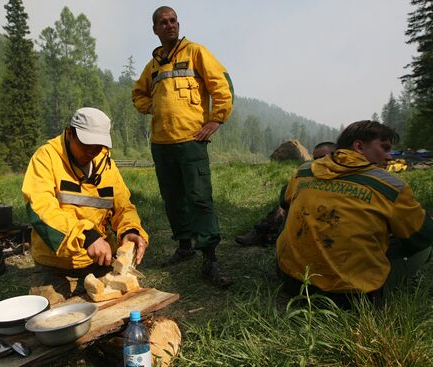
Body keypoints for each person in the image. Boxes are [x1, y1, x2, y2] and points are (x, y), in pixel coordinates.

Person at [276, 120, 433, 305]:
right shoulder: (391, 186)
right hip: (349, 296)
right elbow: (420, 238)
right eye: (384, 148)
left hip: (290, 281)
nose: (390, 157)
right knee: (425, 247)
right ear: (358, 146)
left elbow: (283, 201)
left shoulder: (303, 172)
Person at [132, 6, 234, 287]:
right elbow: (137, 93)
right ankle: (185, 246)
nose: (169, 25)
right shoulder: (153, 65)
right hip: (161, 145)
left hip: (191, 142)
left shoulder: (196, 52)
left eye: (173, 21)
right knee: (173, 198)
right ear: (154, 29)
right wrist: (150, 106)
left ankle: (210, 258)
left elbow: (222, 85)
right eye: (163, 23)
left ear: (178, 24)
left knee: (199, 199)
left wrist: (216, 120)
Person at [22, 107, 149, 305]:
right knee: (51, 316)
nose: (91, 152)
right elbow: (41, 209)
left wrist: (130, 230)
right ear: (70, 133)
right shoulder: (46, 158)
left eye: (98, 146)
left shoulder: (106, 164)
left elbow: (123, 206)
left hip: (99, 261)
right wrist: (87, 236)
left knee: (123, 306)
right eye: (86, 144)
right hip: (56, 264)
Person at [235, 142, 337, 247]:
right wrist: (282, 205)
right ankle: (264, 233)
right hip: (306, 213)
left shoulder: (345, 176)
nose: (319, 162)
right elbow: (286, 193)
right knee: (283, 207)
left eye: (323, 157)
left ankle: (268, 235)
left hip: (328, 218)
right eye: (315, 159)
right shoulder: (309, 173)